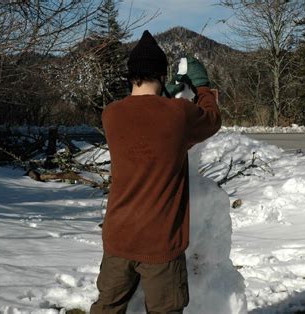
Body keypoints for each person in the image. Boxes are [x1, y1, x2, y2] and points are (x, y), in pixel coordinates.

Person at [90, 30, 221, 314]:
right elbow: (211, 119)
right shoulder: (178, 114)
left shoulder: (110, 114)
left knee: (107, 307)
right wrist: (203, 86)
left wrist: (166, 97)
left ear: (130, 75)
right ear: (161, 76)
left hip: (118, 236)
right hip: (161, 242)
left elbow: (145, 118)